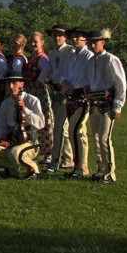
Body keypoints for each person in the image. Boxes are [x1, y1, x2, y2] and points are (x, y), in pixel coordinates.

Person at [0, 70, 45, 180]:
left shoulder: (32, 100)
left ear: (21, 84)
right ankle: (12, 167)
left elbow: (40, 123)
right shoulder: (5, 103)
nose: (10, 86)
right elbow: (0, 126)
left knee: (14, 153)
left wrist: (25, 109)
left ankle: (34, 169)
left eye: (14, 83)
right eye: (8, 83)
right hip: (11, 141)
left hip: (29, 141)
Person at [86, 28, 126, 184]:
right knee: (96, 138)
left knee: (104, 138)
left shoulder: (111, 59)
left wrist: (118, 105)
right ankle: (101, 169)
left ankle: (110, 172)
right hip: (94, 103)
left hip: (107, 104)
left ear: (102, 42)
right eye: (90, 43)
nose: (92, 45)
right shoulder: (91, 61)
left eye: (95, 42)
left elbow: (120, 83)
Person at [60, 28, 94, 179]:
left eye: (78, 37)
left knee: (77, 131)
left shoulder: (88, 56)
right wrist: (65, 83)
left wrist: (72, 85)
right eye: (73, 37)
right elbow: (64, 75)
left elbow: (87, 78)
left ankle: (82, 167)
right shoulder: (71, 57)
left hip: (82, 97)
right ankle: (77, 166)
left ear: (85, 39)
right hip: (70, 97)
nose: (74, 40)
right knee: (73, 131)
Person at [46, 24, 75, 173]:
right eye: (54, 35)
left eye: (60, 35)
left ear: (65, 37)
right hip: (54, 91)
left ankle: (55, 161)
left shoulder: (70, 51)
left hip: (66, 92)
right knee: (62, 127)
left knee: (59, 127)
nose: (57, 38)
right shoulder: (51, 53)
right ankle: (68, 159)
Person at [22, 31, 54, 162]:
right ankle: (37, 150)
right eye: (31, 42)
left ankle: (49, 152)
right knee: (33, 123)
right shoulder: (34, 58)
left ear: (42, 42)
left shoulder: (42, 58)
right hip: (32, 93)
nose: (33, 44)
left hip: (40, 94)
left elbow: (47, 69)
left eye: (35, 41)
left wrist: (40, 80)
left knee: (44, 121)